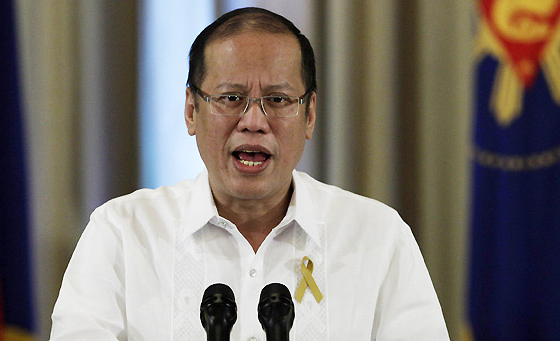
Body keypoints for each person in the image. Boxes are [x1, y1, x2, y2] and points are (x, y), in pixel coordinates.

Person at [50, 7, 449, 340]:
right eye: (231, 98)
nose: (254, 121)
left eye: (277, 99)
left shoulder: (377, 237)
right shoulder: (121, 234)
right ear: (191, 110)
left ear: (309, 115)